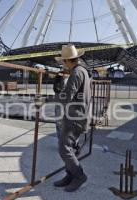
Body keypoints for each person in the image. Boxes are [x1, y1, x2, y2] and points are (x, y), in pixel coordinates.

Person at [44, 44, 91, 192]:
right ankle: (70, 175)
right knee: (69, 148)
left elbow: (67, 96)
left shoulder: (77, 73)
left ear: (67, 61)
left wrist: (47, 100)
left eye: (63, 61)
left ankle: (79, 176)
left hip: (75, 118)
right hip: (78, 115)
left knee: (64, 149)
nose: (63, 64)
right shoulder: (82, 71)